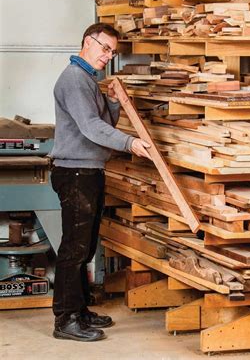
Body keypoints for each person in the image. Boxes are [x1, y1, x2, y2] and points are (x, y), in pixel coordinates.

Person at [50, 23, 151, 342]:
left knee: (86, 245)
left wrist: (114, 102)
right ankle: (65, 319)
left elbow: (102, 122)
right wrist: (130, 144)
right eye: (104, 48)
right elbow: (91, 128)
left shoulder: (88, 80)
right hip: (75, 171)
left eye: (112, 52)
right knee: (74, 248)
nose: (108, 56)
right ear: (87, 42)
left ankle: (79, 309)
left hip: (88, 170)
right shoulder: (75, 79)